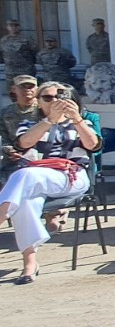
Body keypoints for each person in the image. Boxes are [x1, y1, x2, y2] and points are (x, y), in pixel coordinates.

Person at [0, 81, 101, 282]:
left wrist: (77, 119)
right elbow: (24, 144)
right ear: (38, 102)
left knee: (22, 177)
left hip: (72, 176)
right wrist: (50, 121)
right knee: (26, 201)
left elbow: (94, 146)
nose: (55, 101)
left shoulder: (82, 122)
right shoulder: (29, 124)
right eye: (48, 97)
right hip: (36, 178)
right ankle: (29, 263)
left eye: (60, 96)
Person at [1, 73, 38, 180]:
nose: (27, 90)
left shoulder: (44, 109)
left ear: (37, 89)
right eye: (22, 86)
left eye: (31, 86)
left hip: (40, 152)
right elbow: (2, 134)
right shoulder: (5, 112)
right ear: (14, 89)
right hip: (12, 156)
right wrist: (9, 149)